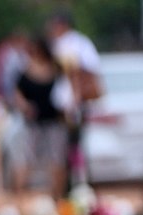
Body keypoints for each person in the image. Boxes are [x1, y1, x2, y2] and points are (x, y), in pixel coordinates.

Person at [46, 10, 102, 192]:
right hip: (68, 103)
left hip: (72, 104)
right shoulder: (76, 42)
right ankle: (74, 185)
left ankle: (76, 186)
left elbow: (80, 73)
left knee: (72, 146)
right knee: (71, 147)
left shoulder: (70, 44)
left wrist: (75, 98)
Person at [12, 38, 66, 193]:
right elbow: (18, 95)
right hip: (33, 123)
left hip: (54, 122)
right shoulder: (26, 72)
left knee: (56, 161)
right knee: (25, 160)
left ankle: (57, 199)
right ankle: (20, 199)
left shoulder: (57, 70)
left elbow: (66, 92)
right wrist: (25, 106)